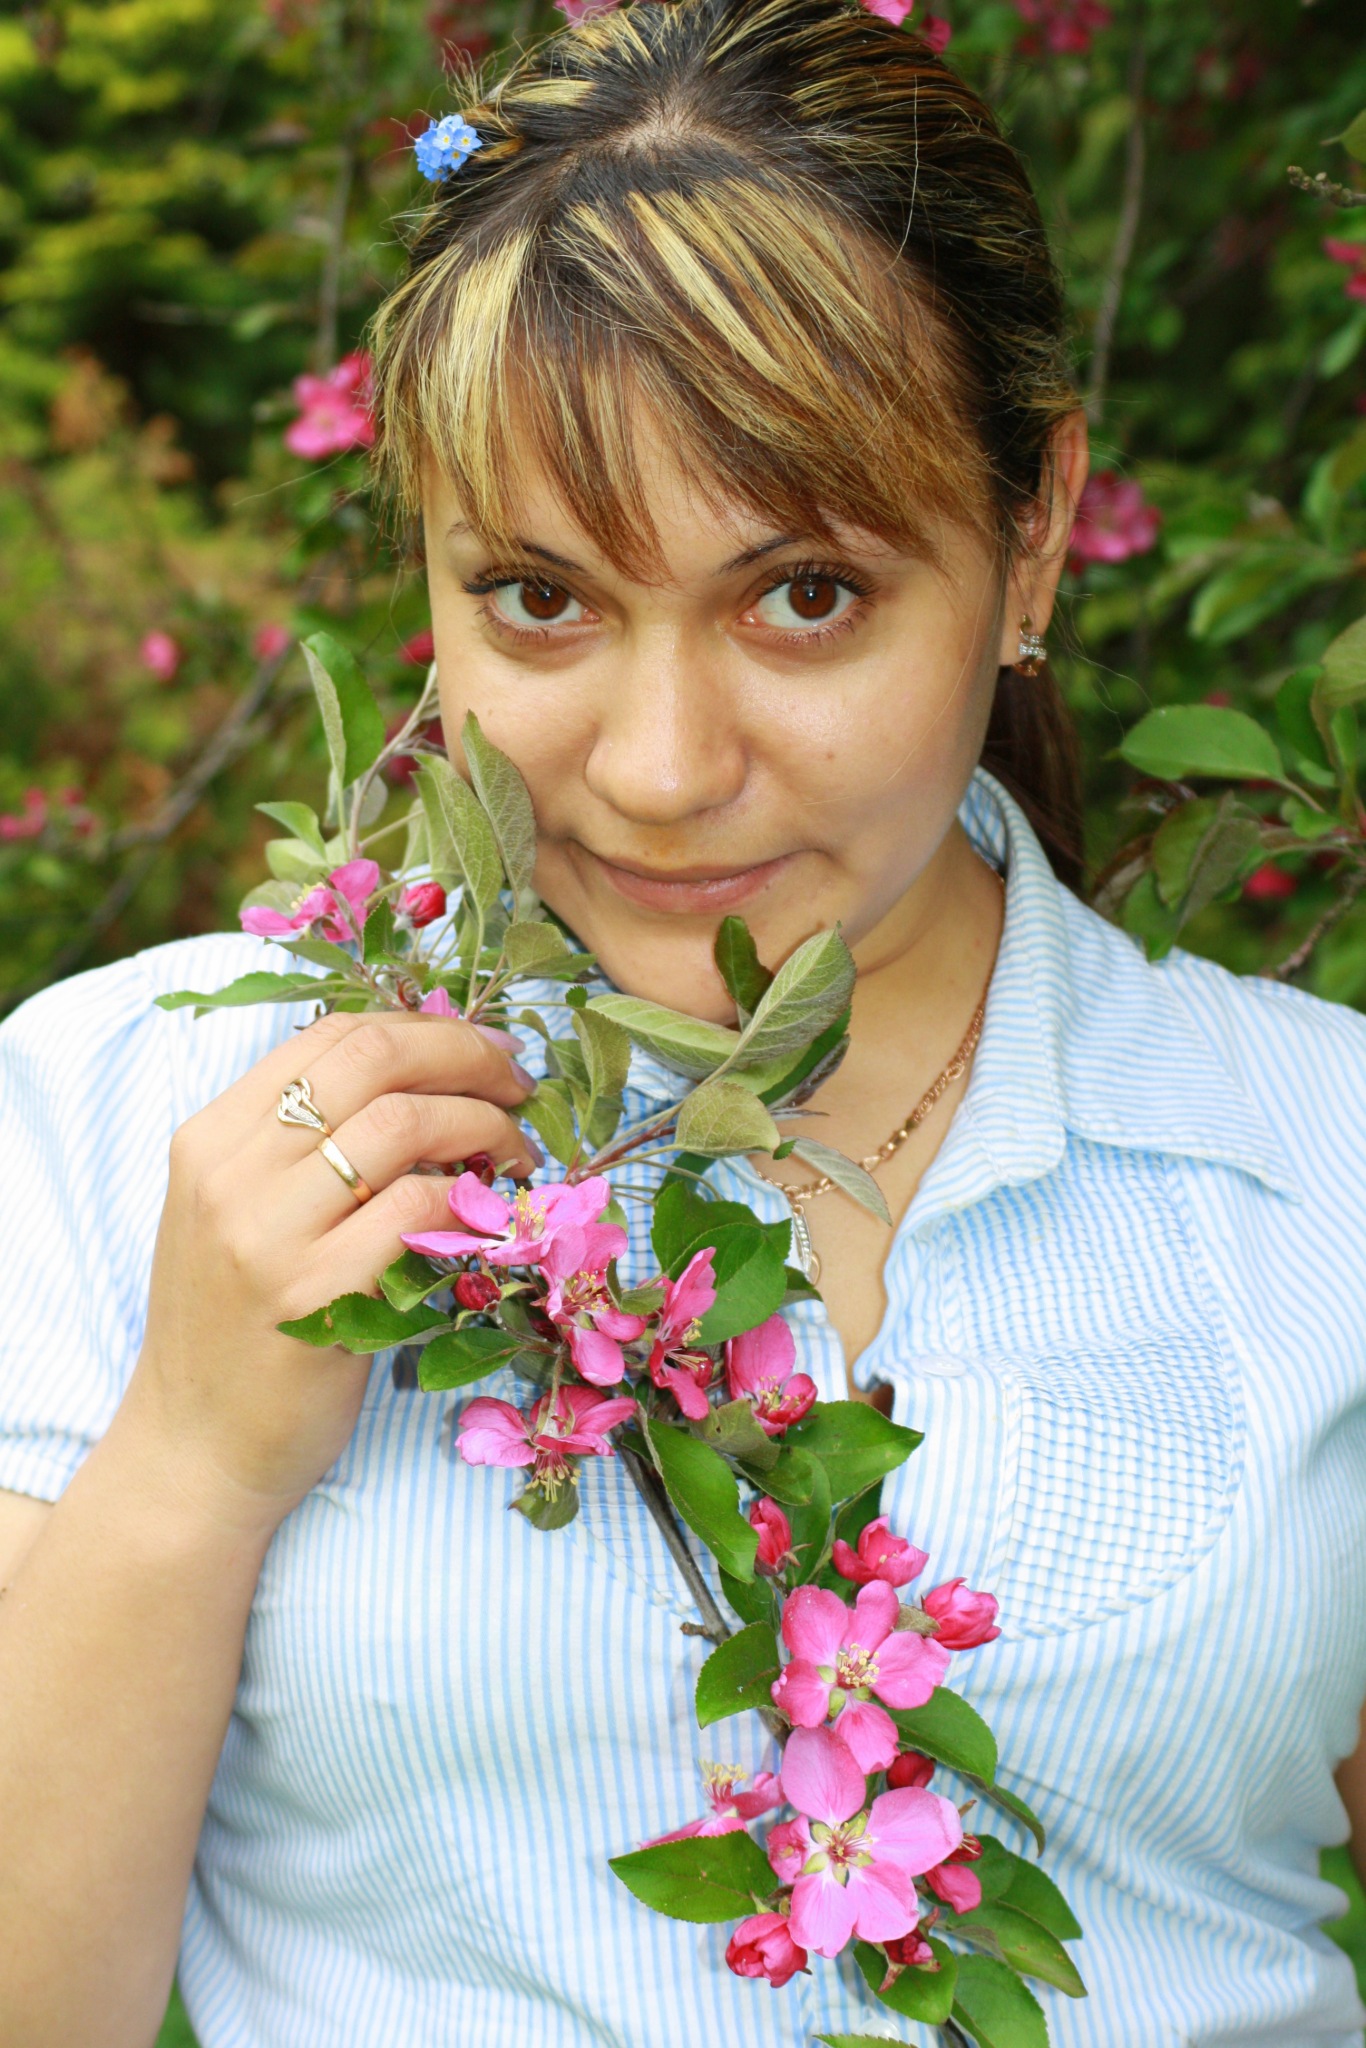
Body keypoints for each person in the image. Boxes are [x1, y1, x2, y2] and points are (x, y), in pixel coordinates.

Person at [1, 1, 1364, 2043]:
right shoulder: (127, 1111)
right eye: (539, 597)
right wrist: (190, 1461)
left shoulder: (1322, 1166)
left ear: (1029, 536)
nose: (655, 767)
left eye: (802, 593)